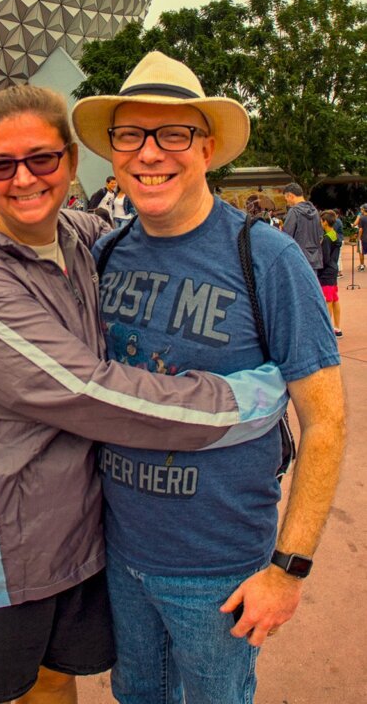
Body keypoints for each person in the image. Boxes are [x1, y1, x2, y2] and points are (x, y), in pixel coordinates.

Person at [0, 84, 289, 704]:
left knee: (58, 682)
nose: (24, 178)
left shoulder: (84, 240)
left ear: (71, 162)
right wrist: (246, 401)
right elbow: (92, 394)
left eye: (42, 160)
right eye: (2, 165)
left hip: (75, 536)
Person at [72, 51, 346, 704]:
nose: (150, 153)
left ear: (208, 146)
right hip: (119, 552)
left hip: (217, 570)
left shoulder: (267, 259)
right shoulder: (105, 255)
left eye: (173, 134)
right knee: (137, 694)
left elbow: (326, 420)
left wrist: (288, 571)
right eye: (132, 135)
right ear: (113, 151)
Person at [282, 181, 323, 272]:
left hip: (298, 259)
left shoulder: (294, 211)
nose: (287, 202)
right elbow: (320, 236)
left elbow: (286, 236)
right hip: (314, 259)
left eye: (286, 199)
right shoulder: (315, 211)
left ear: (290, 196)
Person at [318, 210, 342, 337]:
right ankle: (337, 327)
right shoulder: (335, 235)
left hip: (327, 271)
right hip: (334, 268)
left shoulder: (327, 238)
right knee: (334, 298)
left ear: (325, 222)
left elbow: (325, 258)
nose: (320, 223)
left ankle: (327, 329)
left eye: (321, 221)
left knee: (328, 300)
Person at [357, 203, 367, 271]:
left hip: (363, 238)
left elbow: (360, 230)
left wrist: (359, 238)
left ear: (364, 209)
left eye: (362, 209)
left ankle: (362, 266)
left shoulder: (362, 218)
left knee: (361, 252)